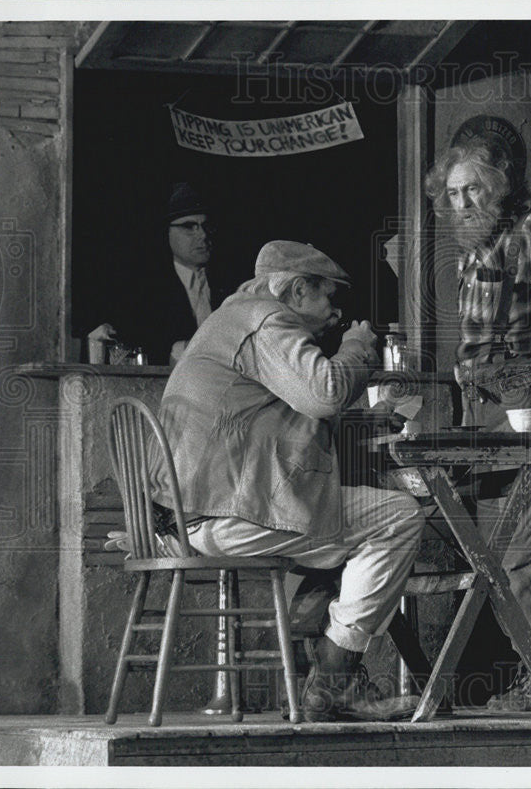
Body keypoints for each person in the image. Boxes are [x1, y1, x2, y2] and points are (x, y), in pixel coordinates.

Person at [152, 240, 425, 722]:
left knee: (330, 521)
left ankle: (316, 671)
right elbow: (325, 393)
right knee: (398, 517)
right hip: (221, 515)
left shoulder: (231, 318)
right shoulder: (266, 319)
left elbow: (284, 411)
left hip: (190, 513)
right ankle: (334, 679)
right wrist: (358, 347)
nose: (335, 313)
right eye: (328, 299)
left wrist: (356, 418)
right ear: (298, 289)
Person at [424, 127, 531, 711]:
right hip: (483, 413)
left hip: (524, 411)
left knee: (525, 550)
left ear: (500, 187)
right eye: (453, 193)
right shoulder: (475, 251)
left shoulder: (529, 232)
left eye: (473, 190)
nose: (462, 203)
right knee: (493, 552)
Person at [89, 182, 235, 365]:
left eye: (206, 226)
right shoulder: (145, 289)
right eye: (189, 226)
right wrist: (182, 349)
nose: (203, 235)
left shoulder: (230, 285)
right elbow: (135, 347)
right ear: (166, 232)